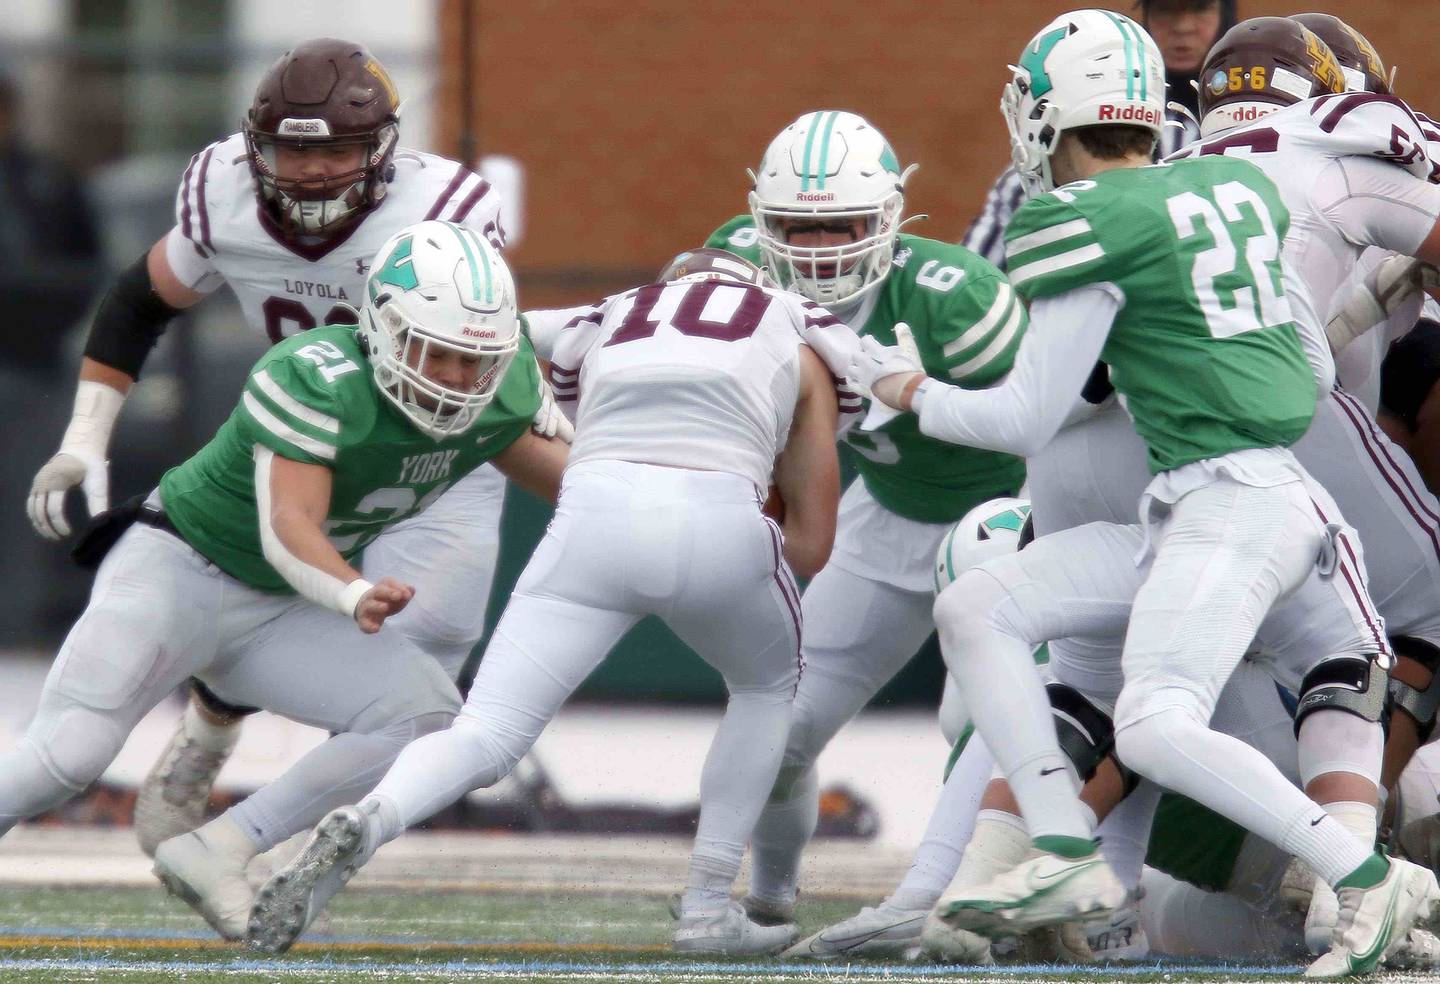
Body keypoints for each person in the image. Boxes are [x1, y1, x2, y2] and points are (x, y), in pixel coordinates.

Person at [847, 10, 1440, 976]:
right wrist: (1353, 313)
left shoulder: (1090, 216)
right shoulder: (1228, 186)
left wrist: (900, 385)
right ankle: (1055, 859)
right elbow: (1299, 360)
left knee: (1147, 713)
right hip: (1206, 499)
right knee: (993, 612)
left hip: (1239, 500)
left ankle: (1362, 874)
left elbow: (1022, 419)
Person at [22, 38, 553, 859]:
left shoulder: (445, 202)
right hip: (309, 437)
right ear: (254, 146)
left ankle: (266, 827)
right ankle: (214, 725)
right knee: (270, 583)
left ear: (381, 150)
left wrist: (538, 396)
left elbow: (483, 326)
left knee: (429, 655)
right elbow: (139, 300)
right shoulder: (221, 191)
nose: (311, 170)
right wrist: (85, 440)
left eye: (338, 148)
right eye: (291, 149)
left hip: (434, 446)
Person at [245, 247, 842, 957]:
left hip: (593, 512)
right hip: (720, 517)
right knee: (766, 688)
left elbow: (497, 333)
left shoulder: (611, 317)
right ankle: (711, 905)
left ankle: (372, 818)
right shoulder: (796, 339)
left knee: (487, 731)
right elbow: (810, 546)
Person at [0, 222, 567, 941]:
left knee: (421, 715)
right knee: (65, 756)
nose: (456, 379)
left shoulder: (502, 386)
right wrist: (353, 592)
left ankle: (218, 847)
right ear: (386, 329)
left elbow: (581, 490)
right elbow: (288, 528)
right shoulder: (316, 373)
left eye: (475, 360)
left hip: (277, 609)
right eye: (439, 353)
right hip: (181, 570)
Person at [700, 110, 1029, 927]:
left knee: (981, 724)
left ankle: (959, 897)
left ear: (889, 217)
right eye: (795, 227)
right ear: (758, 218)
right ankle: (772, 904)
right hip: (884, 519)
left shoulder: (955, 296)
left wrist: (927, 398)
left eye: (842, 224)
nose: (817, 250)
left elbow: (1047, 422)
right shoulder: (736, 262)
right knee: (777, 734)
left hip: (1010, 524)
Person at [961, 0, 1237, 267]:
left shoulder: (1031, 181)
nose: (1184, 27)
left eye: (1200, 7)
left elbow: (971, 290)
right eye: (1165, 9)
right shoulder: (1233, 166)